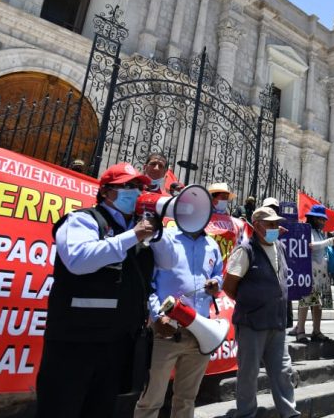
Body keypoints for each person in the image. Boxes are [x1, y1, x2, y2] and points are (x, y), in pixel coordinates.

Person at [36, 162, 179, 418]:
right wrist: (132, 236)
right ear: (105, 191)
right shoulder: (83, 219)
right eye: (128, 186)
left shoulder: (140, 229)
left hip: (117, 342)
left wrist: (158, 232)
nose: (135, 192)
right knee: (61, 408)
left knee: (101, 409)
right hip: (75, 341)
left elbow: (169, 263)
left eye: (139, 187)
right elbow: (79, 260)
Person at [134, 224, 224, 418]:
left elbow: (218, 275)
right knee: (151, 398)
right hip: (166, 330)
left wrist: (217, 283)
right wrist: (157, 317)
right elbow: (149, 283)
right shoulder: (166, 240)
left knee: (187, 398)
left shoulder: (211, 245)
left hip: (200, 332)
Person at [222, 206, 300, 418]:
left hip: (277, 322)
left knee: (283, 371)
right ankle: (246, 414)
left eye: (277, 223)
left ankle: (290, 413)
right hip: (252, 323)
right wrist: (251, 302)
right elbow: (229, 285)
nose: (276, 228)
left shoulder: (280, 247)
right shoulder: (245, 251)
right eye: (271, 224)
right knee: (248, 373)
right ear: (256, 226)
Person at [294, 204, 334, 342]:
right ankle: (300, 331)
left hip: (322, 273)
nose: (323, 222)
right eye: (321, 219)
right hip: (310, 271)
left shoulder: (319, 232)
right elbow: (311, 246)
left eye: (324, 219)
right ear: (313, 218)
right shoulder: (307, 230)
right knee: (306, 301)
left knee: (318, 303)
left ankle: (316, 331)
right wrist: (329, 241)